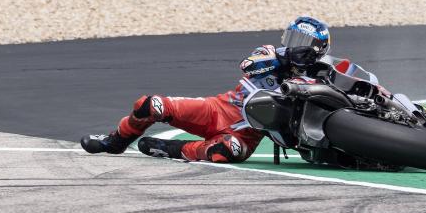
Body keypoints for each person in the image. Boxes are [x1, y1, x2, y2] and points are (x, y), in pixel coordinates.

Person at [80, 16, 333, 162]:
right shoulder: (271, 52)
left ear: (319, 49)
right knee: (150, 104)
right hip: (218, 109)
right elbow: (248, 65)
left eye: (305, 44)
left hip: (247, 134)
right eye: (294, 39)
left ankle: (171, 149)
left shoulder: (320, 74)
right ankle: (114, 142)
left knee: (225, 152)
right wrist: (286, 58)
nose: (297, 46)